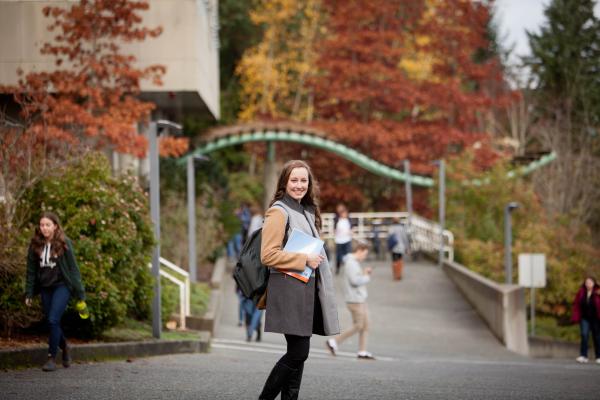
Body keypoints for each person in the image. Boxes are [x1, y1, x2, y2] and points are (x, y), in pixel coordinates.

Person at [258, 160, 339, 400]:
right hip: (289, 290)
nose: (299, 185)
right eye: (294, 180)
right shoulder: (279, 211)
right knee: (299, 352)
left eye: (304, 180)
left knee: (298, 354)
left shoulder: (305, 210)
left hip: (304, 291)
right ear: (284, 182)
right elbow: (268, 255)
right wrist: (304, 259)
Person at [25, 212, 86, 372]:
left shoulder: (64, 243)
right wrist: (29, 293)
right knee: (52, 322)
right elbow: (31, 271)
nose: (44, 228)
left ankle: (51, 358)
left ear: (55, 226)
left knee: (53, 320)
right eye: (42, 225)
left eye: (48, 225)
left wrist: (80, 293)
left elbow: (73, 269)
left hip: (62, 286)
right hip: (45, 287)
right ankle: (64, 346)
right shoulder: (35, 245)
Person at [326, 239, 375, 360]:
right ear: (359, 250)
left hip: (359, 299)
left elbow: (355, 277)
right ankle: (334, 341)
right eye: (364, 254)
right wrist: (367, 276)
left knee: (366, 325)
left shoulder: (353, 262)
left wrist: (363, 273)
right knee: (359, 325)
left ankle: (362, 351)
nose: (364, 257)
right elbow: (355, 281)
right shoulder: (351, 263)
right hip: (355, 300)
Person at [571, 276, 600, 364]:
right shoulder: (581, 292)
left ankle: (598, 356)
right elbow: (576, 304)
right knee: (584, 335)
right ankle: (583, 356)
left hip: (596, 318)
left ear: (594, 283)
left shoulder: (598, 292)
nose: (588, 284)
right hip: (585, 318)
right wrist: (575, 316)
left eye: (590, 282)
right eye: (587, 282)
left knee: (597, 337)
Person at [333, 203, 352, 275]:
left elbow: (351, 228)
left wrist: (350, 232)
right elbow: (335, 230)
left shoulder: (348, 220)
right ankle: (337, 268)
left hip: (347, 240)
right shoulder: (338, 220)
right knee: (338, 256)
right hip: (339, 241)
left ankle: (348, 269)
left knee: (348, 255)